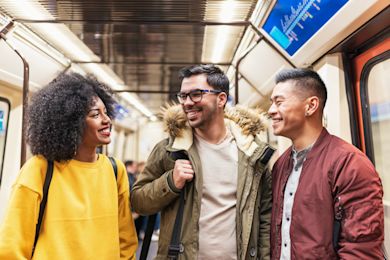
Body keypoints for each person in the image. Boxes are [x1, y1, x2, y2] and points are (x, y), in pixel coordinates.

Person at [131, 64, 274, 259]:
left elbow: (265, 216)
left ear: (221, 99)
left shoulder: (252, 153)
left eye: (196, 94)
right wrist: (170, 182)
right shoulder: (169, 150)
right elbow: (139, 202)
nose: (187, 102)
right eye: (183, 96)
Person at [0, 73, 138, 259]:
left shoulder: (115, 170)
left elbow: (126, 239)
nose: (107, 120)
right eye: (95, 114)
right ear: (71, 123)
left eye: (106, 112)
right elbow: (13, 246)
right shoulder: (39, 169)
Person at [268, 68, 384, 259]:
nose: (271, 110)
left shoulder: (349, 163)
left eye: (279, 102)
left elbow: (361, 248)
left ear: (311, 106)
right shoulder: (281, 164)